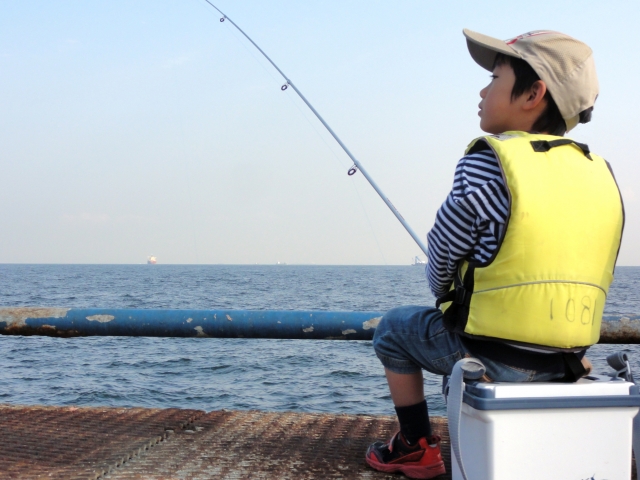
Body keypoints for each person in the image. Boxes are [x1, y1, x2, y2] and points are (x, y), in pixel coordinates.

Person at [365, 29, 624, 479]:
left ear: (533, 93)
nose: (482, 91)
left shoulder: (488, 162)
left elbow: (444, 250)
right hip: (568, 359)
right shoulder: (600, 173)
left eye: (494, 77)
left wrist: (444, 292)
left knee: (393, 329)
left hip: (497, 360)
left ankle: (415, 446)